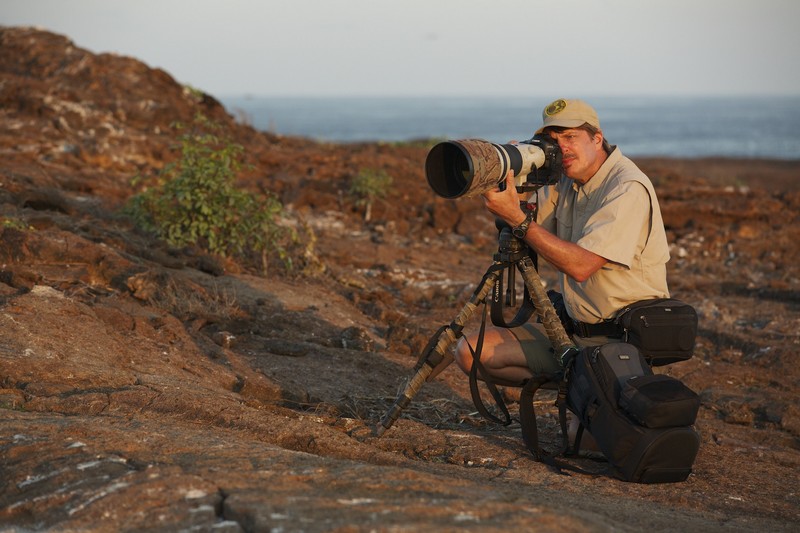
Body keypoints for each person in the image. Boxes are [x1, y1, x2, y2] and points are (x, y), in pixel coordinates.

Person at [454, 98, 670, 387]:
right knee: (470, 352)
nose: (562, 148)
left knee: (592, 432)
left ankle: (589, 393)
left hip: (620, 339)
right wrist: (516, 184)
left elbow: (581, 266)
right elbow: (531, 229)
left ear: (597, 138)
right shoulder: (565, 179)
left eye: (571, 137)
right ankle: (576, 388)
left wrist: (517, 218)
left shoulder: (626, 188)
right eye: (554, 140)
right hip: (570, 329)